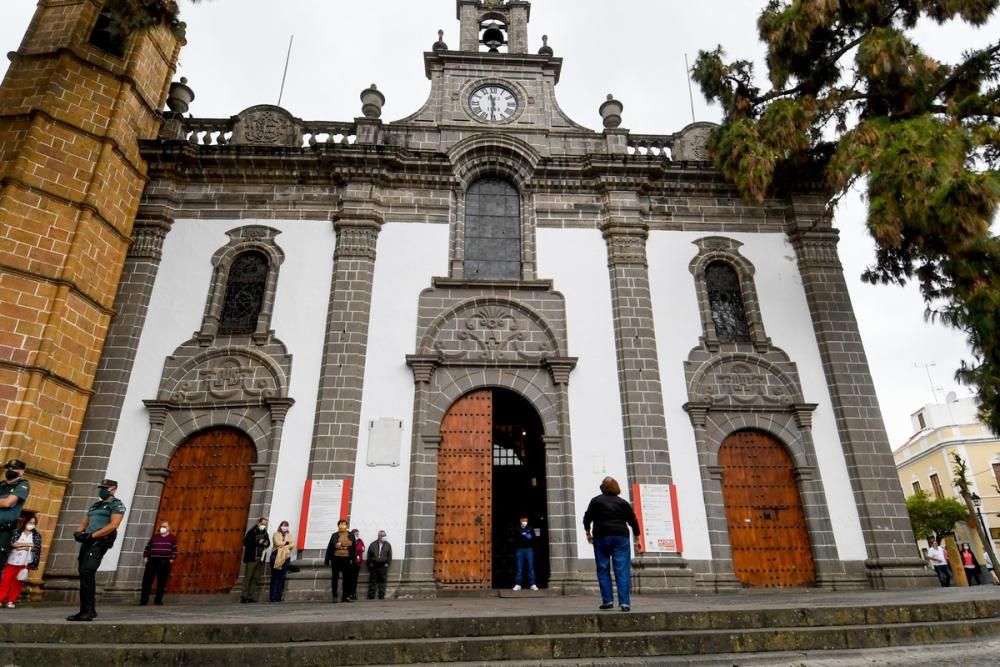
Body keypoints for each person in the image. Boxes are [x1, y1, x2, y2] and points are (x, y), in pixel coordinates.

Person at [68, 478, 126, 621]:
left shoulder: (116, 505)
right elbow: (85, 521)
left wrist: (93, 535)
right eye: (101, 487)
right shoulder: (95, 505)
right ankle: (88, 610)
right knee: (83, 572)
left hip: (100, 541)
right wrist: (79, 532)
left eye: (105, 488)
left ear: (113, 489)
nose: (102, 490)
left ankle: (87, 611)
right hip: (88, 541)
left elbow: (114, 525)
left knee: (87, 571)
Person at [582, 476, 642, 612]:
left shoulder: (596, 501)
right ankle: (624, 603)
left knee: (603, 568)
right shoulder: (623, 503)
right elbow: (633, 521)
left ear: (603, 488)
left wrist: (588, 532)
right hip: (620, 537)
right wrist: (638, 539)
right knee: (621, 570)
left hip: (601, 537)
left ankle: (608, 600)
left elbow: (587, 517)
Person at [0, 514, 41, 608]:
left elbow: (36, 547)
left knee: (18, 583)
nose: (31, 524)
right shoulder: (17, 532)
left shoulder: (36, 536)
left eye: (34, 523)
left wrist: (22, 546)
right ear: (25, 522)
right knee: (5, 581)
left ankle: (11, 601)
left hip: (25, 562)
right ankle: (1, 599)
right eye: (30, 522)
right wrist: (27, 545)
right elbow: (13, 544)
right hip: (12, 560)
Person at [0, 459, 30, 574]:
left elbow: (8, 502)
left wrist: (4, 501)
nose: (10, 470)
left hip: (3, 532)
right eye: (8, 468)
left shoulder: (22, 485)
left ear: (22, 472)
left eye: (14, 468)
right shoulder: (1, 485)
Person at [140, 521, 177, 605]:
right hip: (152, 561)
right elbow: (147, 548)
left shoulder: (172, 538)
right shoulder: (154, 537)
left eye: (164, 526)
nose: (162, 528)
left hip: (164, 562)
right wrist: (145, 556)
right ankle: (144, 600)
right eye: (161, 526)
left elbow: (174, 550)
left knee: (162, 581)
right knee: (147, 581)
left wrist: (172, 558)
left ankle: (158, 600)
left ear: (168, 528)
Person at [324, 519, 355, 603]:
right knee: (335, 577)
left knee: (347, 578)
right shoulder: (334, 535)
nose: (343, 525)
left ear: (347, 525)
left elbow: (352, 545)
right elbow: (332, 546)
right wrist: (327, 560)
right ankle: (335, 596)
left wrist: (341, 545)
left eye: (344, 524)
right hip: (336, 558)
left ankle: (345, 596)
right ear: (338, 525)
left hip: (347, 558)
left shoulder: (351, 534)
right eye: (341, 524)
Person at [240, 517, 270, 603]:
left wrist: (266, 543)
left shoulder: (265, 533)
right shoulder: (252, 531)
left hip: (260, 558)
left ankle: (251, 595)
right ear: (259, 523)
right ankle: (244, 596)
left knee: (255, 577)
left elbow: (268, 542)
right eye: (263, 524)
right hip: (252, 557)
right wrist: (257, 542)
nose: (263, 526)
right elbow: (246, 542)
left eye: (265, 524)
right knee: (248, 577)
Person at [269, 520, 294, 602]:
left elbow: (292, 544)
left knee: (281, 577)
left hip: (285, 557)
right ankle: (272, 596)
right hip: (276, 556)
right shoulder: (276, 534)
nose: (285, 527)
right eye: (283, 525)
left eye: (286, 526)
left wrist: (285, 544)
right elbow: (277, 543)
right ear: (280, 526)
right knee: (275, 576)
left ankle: (278, 596)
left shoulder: (290, 535)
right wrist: (286, 544)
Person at [512, 514, 538, 592]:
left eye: (526, 520)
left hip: (529, 550)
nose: (525, 522)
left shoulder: (530, 528)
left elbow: (534, 538)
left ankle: (532, 584)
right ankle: (518, 584)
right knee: (519, 567)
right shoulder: (517, 529)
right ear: (520, 520)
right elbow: (514, 538)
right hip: (519, 550)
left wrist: (528, 536)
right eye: (523, 520)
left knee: (530, 567)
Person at [366, 530, 392, 600]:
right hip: (374, 565)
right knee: (373, 581)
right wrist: (370, 563)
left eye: (384, 535)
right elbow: (369, 555)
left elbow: (389, 555)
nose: (384, 537)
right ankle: (371, 596)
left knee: (382, 581)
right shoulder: (373, 544)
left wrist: (388, 563)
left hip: (383, 565)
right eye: (382, 535)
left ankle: (381, 595)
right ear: (379, 536)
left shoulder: (388, 545)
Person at [347, 528, 364, 601]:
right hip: (351, 562)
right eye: (356, 534)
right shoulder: (349, 541)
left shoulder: (360, 541)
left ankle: (354, 593)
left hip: (358, 563)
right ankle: (349, 594)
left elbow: (363, 549)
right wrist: (357, 549)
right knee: (349, 579)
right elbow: (350, 549)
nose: (357, 535)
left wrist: (357, 549)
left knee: (355, 579)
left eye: (358, 534)